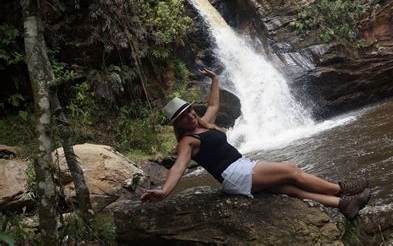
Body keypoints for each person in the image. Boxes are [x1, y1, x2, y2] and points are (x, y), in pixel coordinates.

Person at [140, 68, 371, 220]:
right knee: (291, 170)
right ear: (177, 124)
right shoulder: (187, 142)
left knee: (291, 189)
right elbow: (178, 167)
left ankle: (342, 204)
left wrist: (214, 79)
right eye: (183, 116)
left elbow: (213, 106)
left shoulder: (203, 125)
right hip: (235, 175)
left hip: (243, 166)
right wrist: (163, 192)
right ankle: (343, 189)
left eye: (189, 110)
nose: (189, 115)